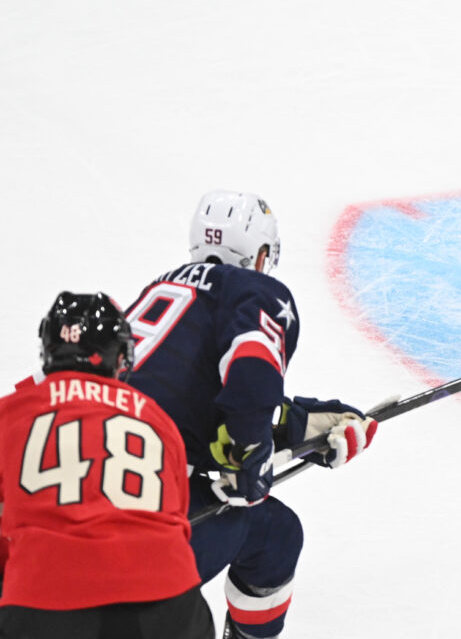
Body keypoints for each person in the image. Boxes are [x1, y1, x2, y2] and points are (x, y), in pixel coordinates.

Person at [121, 191, 378, 639]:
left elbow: (188, 406)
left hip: (59, 501)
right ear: (260, 256)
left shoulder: (155, 293)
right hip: (141, 518)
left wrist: (299, 427)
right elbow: (251, 375)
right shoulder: (254, 290)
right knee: (275, 535)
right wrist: (252, 456)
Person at [0, 292, 214, 639]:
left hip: (46, 604)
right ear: (120, 354)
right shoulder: (157, 418)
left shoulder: (11, 412)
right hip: (168, 605)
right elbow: (175, 519)